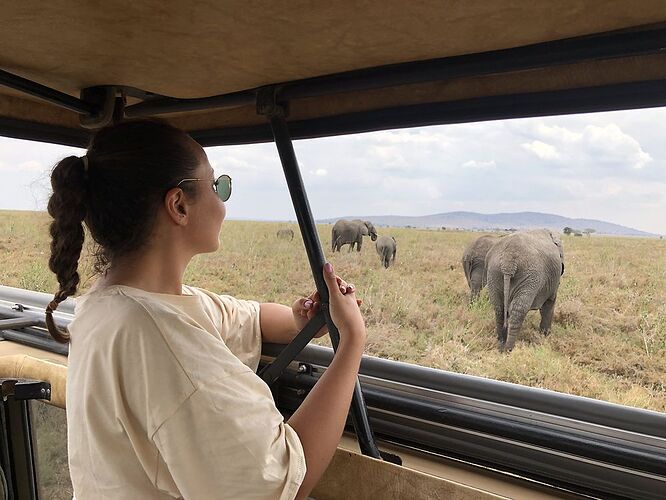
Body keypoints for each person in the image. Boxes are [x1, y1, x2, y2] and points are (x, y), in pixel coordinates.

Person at [44, 119, 367, 499]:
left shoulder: (110, 302)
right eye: (218, 186)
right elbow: (286, 480)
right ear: (179, 205)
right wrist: (352, 342)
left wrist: (302, 319)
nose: (224, 202)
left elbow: (244, 317)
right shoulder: (162, 339)